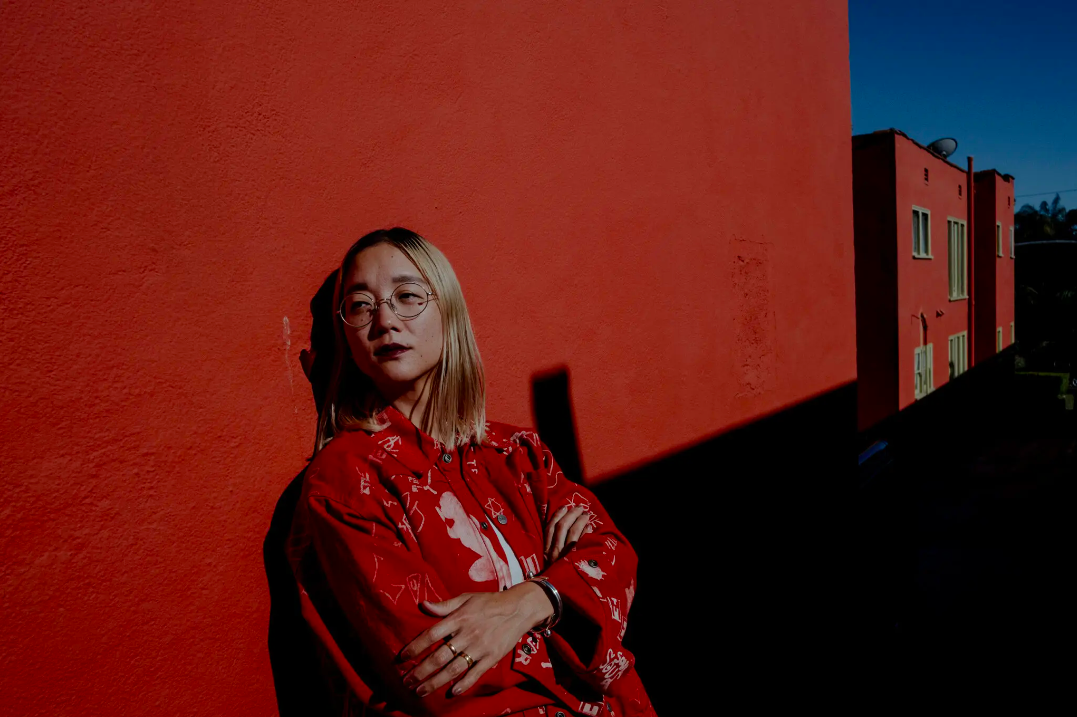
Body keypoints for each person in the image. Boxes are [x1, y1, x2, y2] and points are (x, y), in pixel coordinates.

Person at [287, 228, 654, 717]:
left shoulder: (522, 454)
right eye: (360, 306)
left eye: (407, 296)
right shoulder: (349, 480)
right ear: (346, 337)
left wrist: (526, 602)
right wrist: (568, 592)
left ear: (449, 312)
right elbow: (439, 673)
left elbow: (615, 558)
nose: (385, 320)